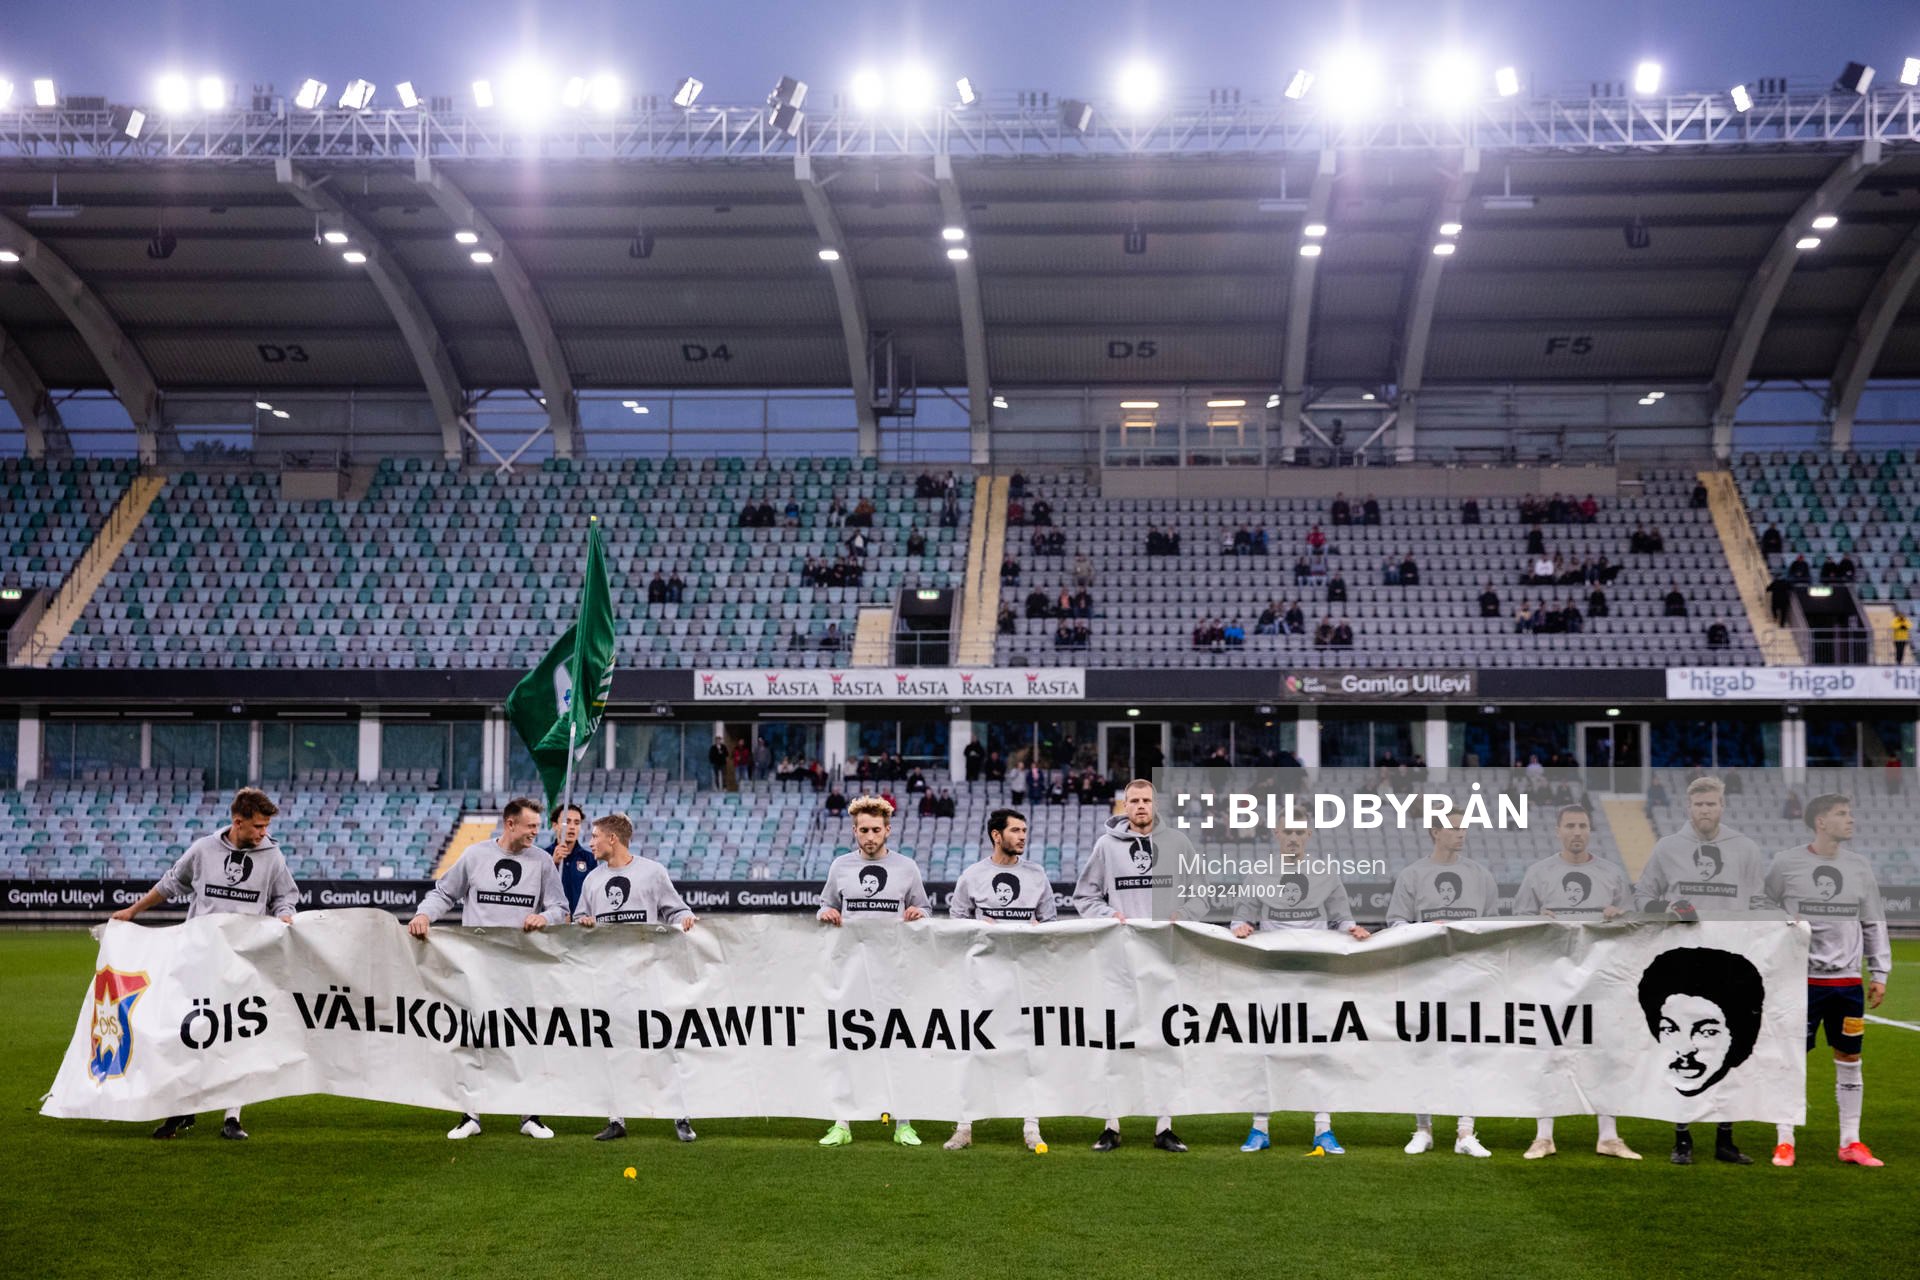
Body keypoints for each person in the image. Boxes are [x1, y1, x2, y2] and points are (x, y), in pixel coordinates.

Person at [114, 787, 297, 1141]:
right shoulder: (203, 851)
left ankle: (232, 1116)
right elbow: (171, 884)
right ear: (237, 822)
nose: (263, 833)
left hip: (244, 960)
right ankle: (183, 1109)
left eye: (265, 826)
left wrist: (286, 913)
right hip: (198, 958)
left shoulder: (272, 855)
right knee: (189, 1033)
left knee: (239, 1034)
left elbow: (284, 895)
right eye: (258, 826)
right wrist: (133, 912)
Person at [408, 797, 567, 1141]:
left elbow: (559, 906)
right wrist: (423, 915)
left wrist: (545, 916)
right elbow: (444, 894)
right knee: (472, 1038)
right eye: (530, 827)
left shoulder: (541, 862)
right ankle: (470, 1115)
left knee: (525, 1037)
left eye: (538, 827)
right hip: (476, 965)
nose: (535, 833)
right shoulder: (475, 856)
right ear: (510, 824)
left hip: (521, 966)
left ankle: (530, 1115)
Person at [1633, 774, 1769, 1165]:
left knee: (1729, 1049)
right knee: (1682, 1048)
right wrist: (1668, 909)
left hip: (1733, 964)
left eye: (1711, 804)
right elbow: (1643, 896)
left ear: (1722, 806)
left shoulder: (1744, 848)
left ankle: (1725, 1139)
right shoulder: (1668, 848)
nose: (1705, 810)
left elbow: (1758, 900)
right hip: (1684, 969)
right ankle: (1682, 1139)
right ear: (1688, 807)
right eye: (1698, 805)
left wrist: (1784, 923)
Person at [1763, 794, 1891, 1168]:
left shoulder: (1859, 867)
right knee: (1791, 1060)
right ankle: (1785, 1141)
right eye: (1841, 814)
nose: (1850, 820)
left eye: (1850, 813)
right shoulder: (1786, 863)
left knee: (1850, 1057)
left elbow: (1873, 920)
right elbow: (1762, 904)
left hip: (1847, 983)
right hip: (1800, 982)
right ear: (1820, 821)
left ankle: (1850, 1142)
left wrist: (1879, 972)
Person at [1231, 820, 1371, 1157]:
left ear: (1309, 835)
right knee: (1266, 1047)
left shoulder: (1326, 873)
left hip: (1315, 973)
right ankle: (1259, 1128)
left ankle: (1323, 1129)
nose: (1293, 838)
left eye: (1299, 832)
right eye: (1287, 832)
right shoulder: (1260, 873)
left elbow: (1342, 918)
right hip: (1272, 973)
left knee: (1319, 1050)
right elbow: (1240, 918)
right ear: (1276, 834)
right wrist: (1242, 927)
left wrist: (1354, 929)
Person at [1072, 778, 1196, 1153]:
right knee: (1116, 1042)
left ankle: (1165, 1126)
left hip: (1165, 957)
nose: (1140, 806)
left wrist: (1184, 912)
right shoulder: (1106, 846)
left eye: (1146, 800)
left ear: (1155, 805)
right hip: (1119, 960)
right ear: (1123, 806)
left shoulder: (1177, 843)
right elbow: (1084, 895)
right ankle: (1111, 1125)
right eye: (1133, 801)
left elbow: (1202, 892)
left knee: (1166, 1041)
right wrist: (1111, 914)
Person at [1514, 805, 1640, 1161]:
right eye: (1570, 825)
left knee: (1605, 1055)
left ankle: (1609, 1136)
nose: (1576, 832)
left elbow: (1632, 927)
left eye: (1583, 826)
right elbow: (1518, 921)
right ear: (1558, 830)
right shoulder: (1540, 873)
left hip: (1601, 979)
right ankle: (1543, 1137)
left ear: (1590, 830)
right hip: (1553, 977)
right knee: (1549, 1053)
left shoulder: (1611, 874)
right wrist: (1536, 918)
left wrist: (1620, 915)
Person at [573, 812, 699, 1143]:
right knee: (612, 1047)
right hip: (607, 977)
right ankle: (617, 1118)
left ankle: (680, 1116)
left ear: (612, 839)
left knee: (662, 1045)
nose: (590, 842)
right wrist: (582, 922)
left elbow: (677, 909)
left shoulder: (652, 873)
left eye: (595, 836)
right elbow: (578, 919)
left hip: (648, 974)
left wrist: (686, 918)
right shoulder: (592, 881)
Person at [816, 796, 930, 1148]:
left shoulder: (907, 868)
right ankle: (842, 1123)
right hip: (851, 973)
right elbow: (826, 904)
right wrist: (825, 914)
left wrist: (919, 914)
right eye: (863, 830)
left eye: (875, 830)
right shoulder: (840, 867)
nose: (869, 836)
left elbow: (924, 907)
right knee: (847, 1047)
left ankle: (903, 1123)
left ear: (887, 831)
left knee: (897, 1047)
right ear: (854, 831)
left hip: (895, 974)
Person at [1384, 812, 1499, 1158]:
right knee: (1424, 1051)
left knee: (1468, 1051)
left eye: (1464, 826)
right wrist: (1426, 929)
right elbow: (1396, 923)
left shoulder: (1480, 875)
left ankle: (1465, 1132)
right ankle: (1423, 1129)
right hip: (1427, 973)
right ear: (1435, 831)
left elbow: (1494, 926)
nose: (1461, 833)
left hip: (1470, 974)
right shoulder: (1413, 874)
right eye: (1454, 827)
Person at [944, 809, 1056, 1152]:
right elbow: (955, 920)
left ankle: (1031, 1125)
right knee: (974, 1049)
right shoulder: (973, 876)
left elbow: (1051, 923)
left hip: (1026, 978)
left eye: (1024, 830)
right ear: (997, 835)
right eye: (1015, 830)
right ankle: (964, 1126)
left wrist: (1041, 930)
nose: (1022, 836)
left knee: (1028, 1052)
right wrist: (979, 929)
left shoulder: (1037, 875)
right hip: (983, 979)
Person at [543, 803, 594, 917]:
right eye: (567, 822)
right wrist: (553, 863)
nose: (572, 827)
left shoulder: (590, 859)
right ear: (555, 825)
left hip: (580, 926)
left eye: (577, 823)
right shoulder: (543, 856)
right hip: (552, 926)